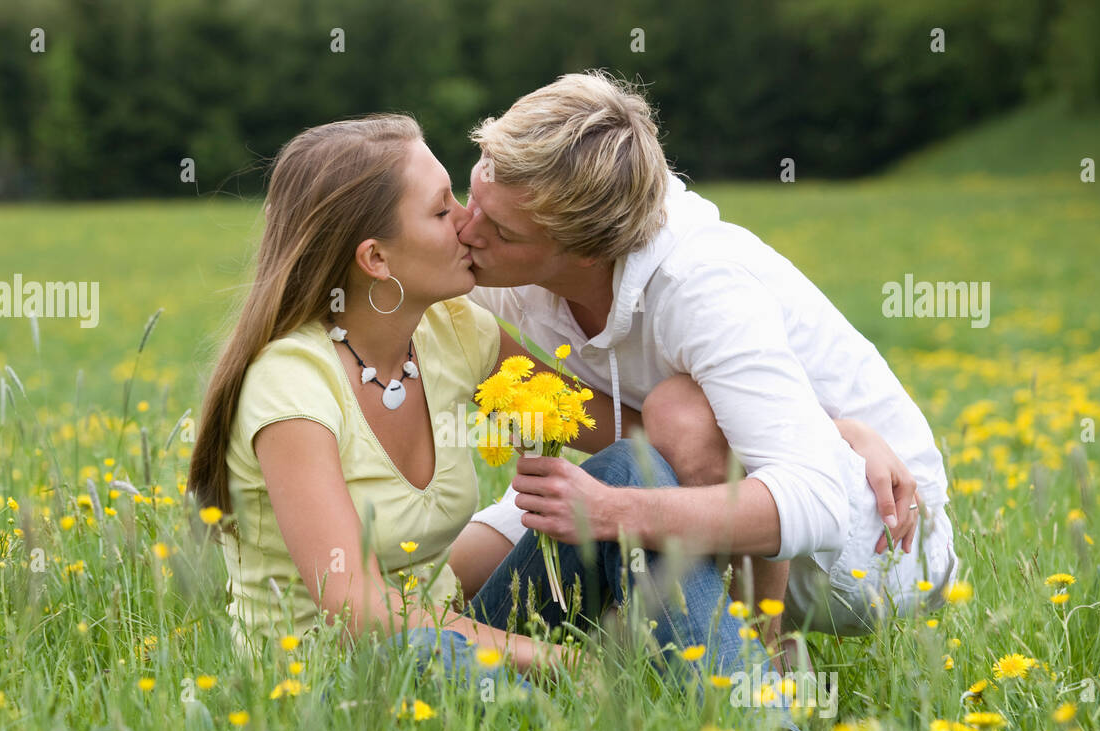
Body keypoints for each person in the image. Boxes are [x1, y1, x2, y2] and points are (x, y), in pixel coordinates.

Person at [185, 115, 754, 696]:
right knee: (424, 652)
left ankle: (751, 714)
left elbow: (622, 428)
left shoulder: (455, 332)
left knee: (633, 470)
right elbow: (357, 610)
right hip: (330, 681)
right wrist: (571, 664)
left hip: (449, 640)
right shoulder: (292, 384)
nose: (468, 220)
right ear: (376, 259)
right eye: (440, 211)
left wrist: (725, 422)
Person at [451, 71, 961, 670]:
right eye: (471, 197)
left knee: (683, 413)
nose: (466, 231)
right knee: (455, 580)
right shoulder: (513, 247)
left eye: (501, 231)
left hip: (873, 545)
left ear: (587, 249)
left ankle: (764, 665)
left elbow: (813, 500)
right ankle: (629, 647)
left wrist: (614, 513)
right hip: (700, 470)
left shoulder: (700, 282)